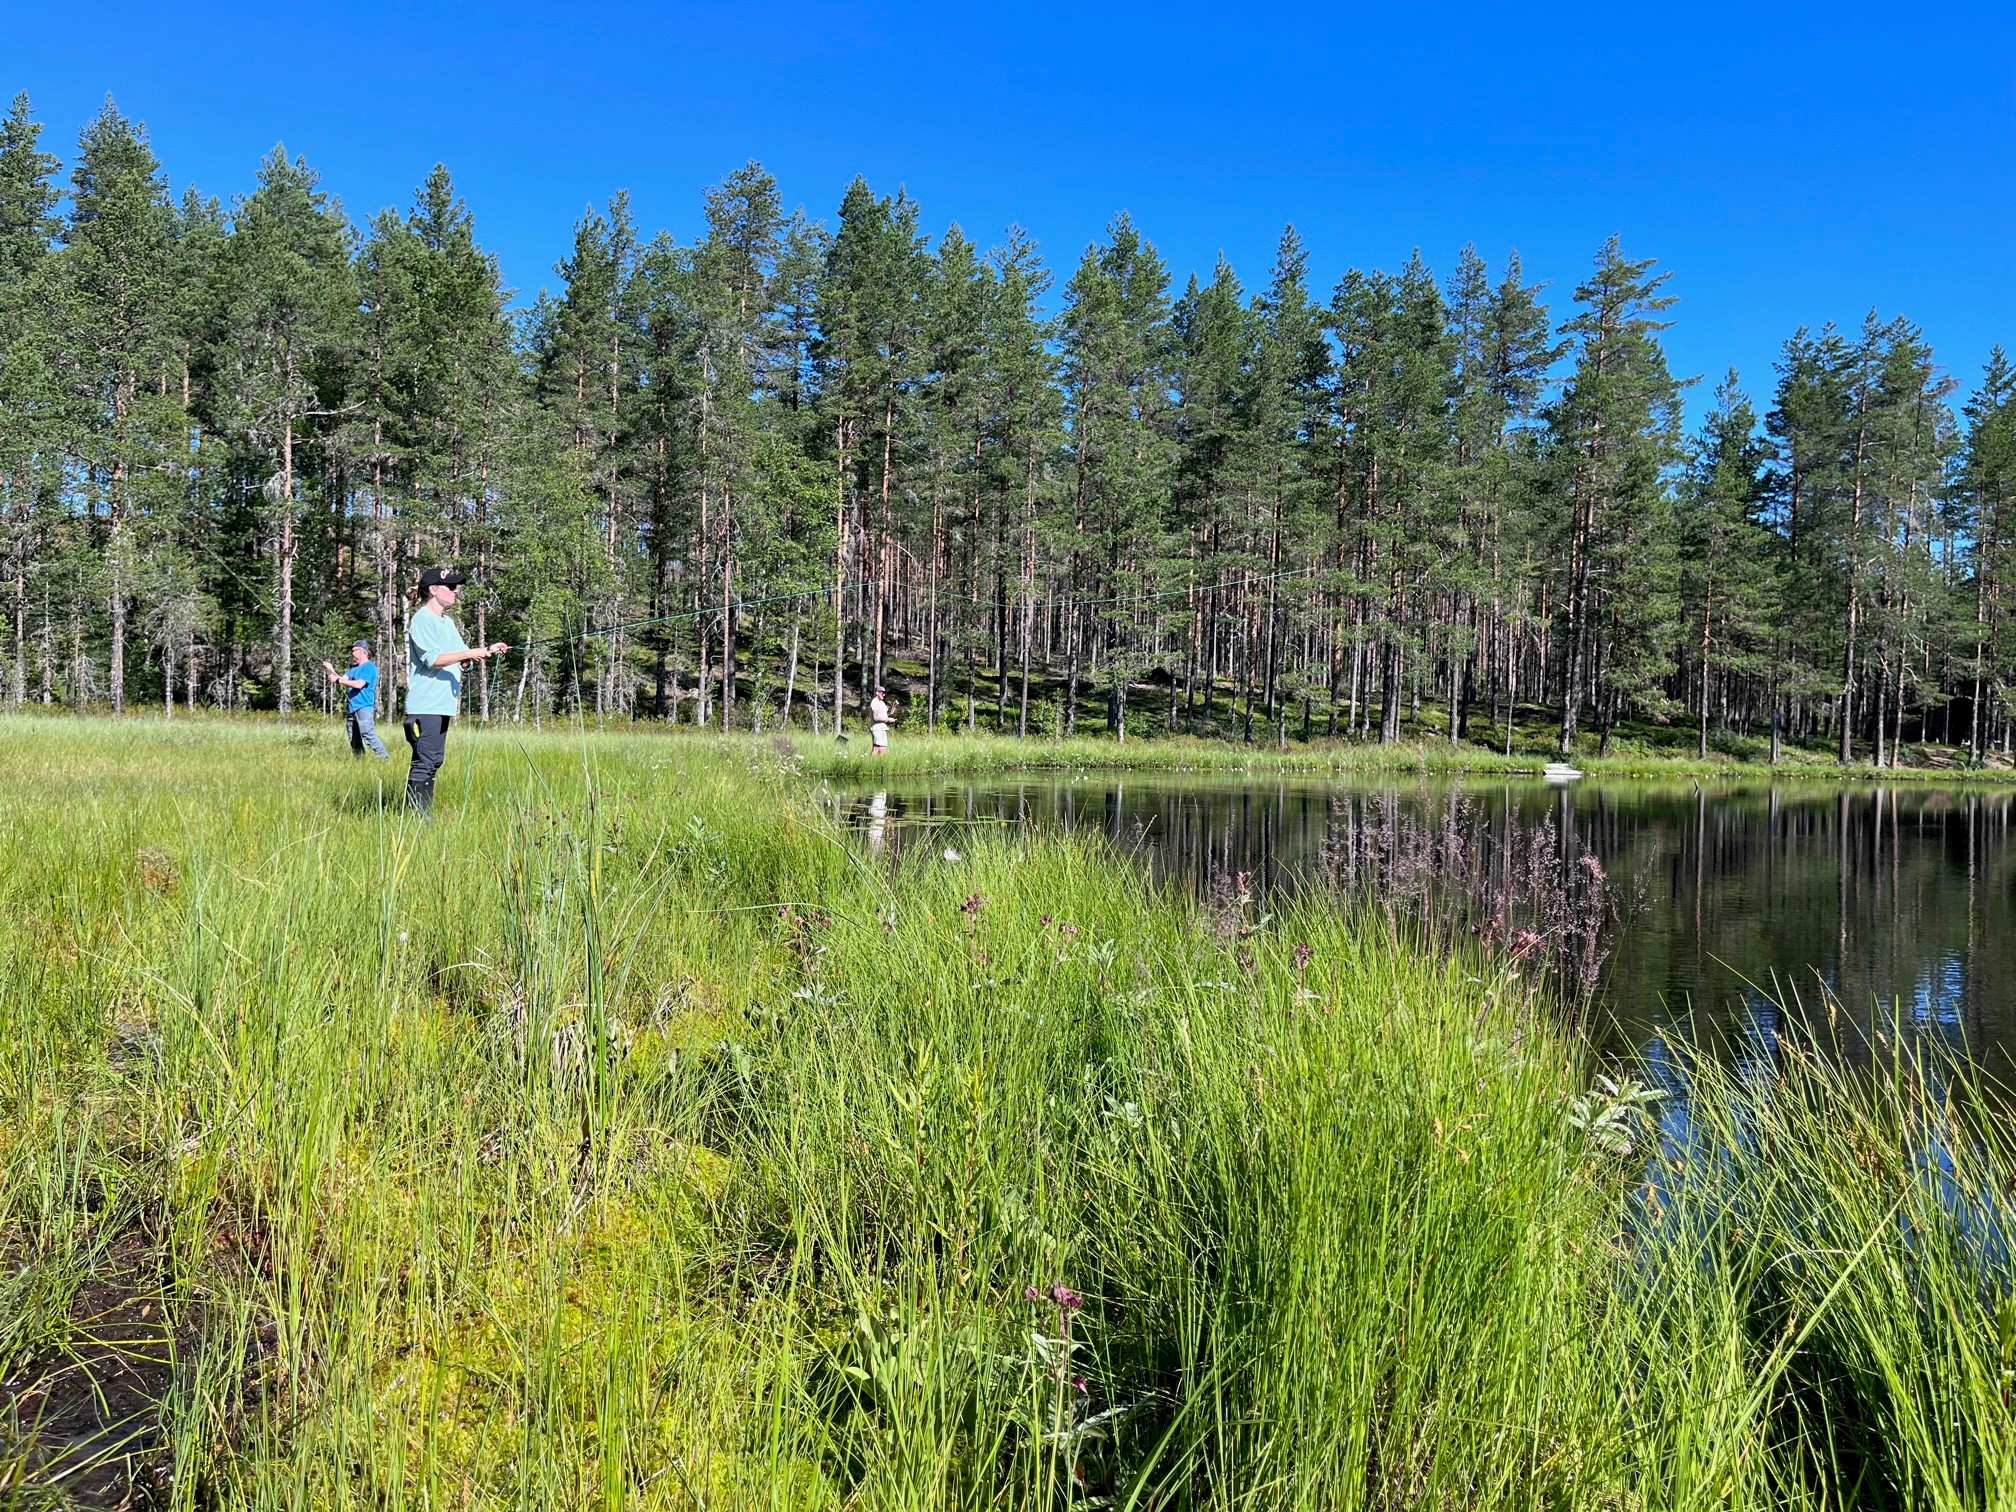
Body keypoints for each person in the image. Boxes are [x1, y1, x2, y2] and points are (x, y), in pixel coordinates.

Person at [404, 567, 508, 814]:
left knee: (434, 760)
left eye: (455, 587)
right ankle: (417, 818)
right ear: (433, 590)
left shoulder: (447, 622)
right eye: (449, 587)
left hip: (442, 704)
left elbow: (459, 654)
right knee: (425, 761)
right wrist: (470, 653)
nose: (455, 592)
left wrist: (486, 650)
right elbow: (432, 659)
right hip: (425, 704)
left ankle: (421, 815)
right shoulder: (422, 620)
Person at [323, 641, 388, 759]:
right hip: (352, 708)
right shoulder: (353, 669)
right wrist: (331, 670)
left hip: (364, 707)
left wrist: (337, 680)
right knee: (353, 737)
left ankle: (385, 760)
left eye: (354, 650)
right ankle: (360, 761)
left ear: (363, 651)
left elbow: (359, 684)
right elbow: (342, 679)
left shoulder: (369, 667)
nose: (352, 653)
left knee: (368, 734)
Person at [869, 684, 893, 756]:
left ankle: (881, 764)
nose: (884, 694)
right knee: (876, 748)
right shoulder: (874, 702)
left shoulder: (882, 703)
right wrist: (888, 719)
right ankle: (869, 763)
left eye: (884, 693)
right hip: (877, 728)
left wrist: (894, 707)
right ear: (877, 693)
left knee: (883, 749)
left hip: (882, 728)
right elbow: (875, 718)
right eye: (882, 693)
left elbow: (887, 713)